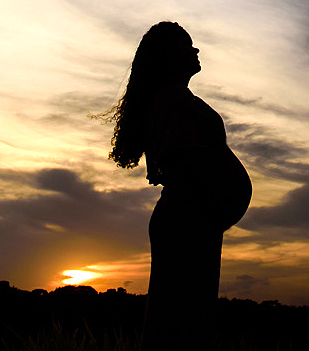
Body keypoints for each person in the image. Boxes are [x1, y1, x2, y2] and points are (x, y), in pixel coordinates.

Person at [108, 21, 252, 350]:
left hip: (194, 224)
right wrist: (214, 203)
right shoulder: (171, 101)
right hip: (187, 224)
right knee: (179, 325)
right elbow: (176, 163)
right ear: (169, 57)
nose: (195, 51)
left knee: (186, 322)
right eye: (187, 46)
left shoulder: (173, 100)